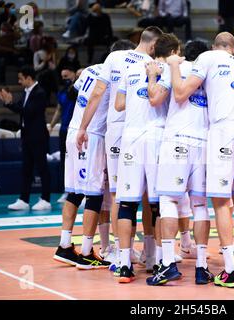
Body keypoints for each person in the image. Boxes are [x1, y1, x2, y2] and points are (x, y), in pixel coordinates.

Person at [167, 32, 234, 288]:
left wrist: (174, 66)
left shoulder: (207, 57)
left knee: (220, 201)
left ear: (215, 46)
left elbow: (182, 92)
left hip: (224, 131)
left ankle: (229, 269)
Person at [76, 30, 162, 276]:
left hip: (118, 131)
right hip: (145, 129)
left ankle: (118, 251)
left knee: (118, 194)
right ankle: (149, 253)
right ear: (154, 44)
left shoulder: (114, 57)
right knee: (148, 195)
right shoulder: (153, 64)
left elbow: (97, 93)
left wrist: (84, 127)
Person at [144, 39, 216, 286]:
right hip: (204, 143)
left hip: (177, 141)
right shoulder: (209, 74)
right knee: (199, 205)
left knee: (168, 200)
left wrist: (153, 76)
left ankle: (167, 265)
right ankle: (202, 266)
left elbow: (154, 98)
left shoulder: (178, 67)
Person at [112, 31, 171, 284]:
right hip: (155, 136)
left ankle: (124, 265)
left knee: (127, 203)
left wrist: (138, 99)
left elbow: (118, 105)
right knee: (158, 204)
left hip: (130, 138)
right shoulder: (165, 69)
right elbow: (162, 100)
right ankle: (158, 261)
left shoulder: (128, 70)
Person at [53, 59, 112, 269]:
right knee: (94, 193)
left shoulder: (89, 69)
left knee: (75, 192)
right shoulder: (113, 73)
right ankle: (87, 252)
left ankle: (65, 245)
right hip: (90, 134)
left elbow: (71, 94)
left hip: (73, 130)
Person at [0, 66, 52, 211]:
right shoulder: (26, 92)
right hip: (27, 136)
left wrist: (10, 103)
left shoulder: (40, 92)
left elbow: (29, 112)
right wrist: (8, 103)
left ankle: (46, 199)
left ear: (29, 78)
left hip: (38, 137)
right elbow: (20, 108)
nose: (19, 82)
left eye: (21, 78)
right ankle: (24, 199)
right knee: (26, 169)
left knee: (42, 168)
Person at [49, 66, 78, 204]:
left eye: (67, 76)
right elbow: (59, 110)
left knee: (78, 160)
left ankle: (80, 191)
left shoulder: (79, 90)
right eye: (62, 77)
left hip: (77, 130)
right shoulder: (61, 92)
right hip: (64, 131)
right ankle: (66, 191)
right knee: (64, 161)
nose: (64, 79)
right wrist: (52, 125)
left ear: (73, 74)